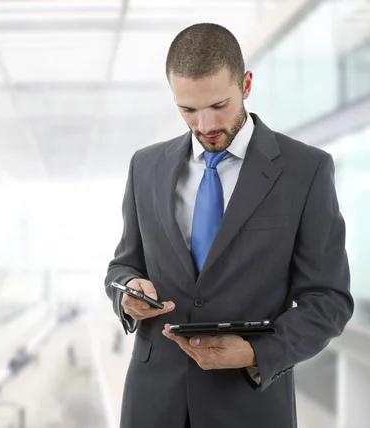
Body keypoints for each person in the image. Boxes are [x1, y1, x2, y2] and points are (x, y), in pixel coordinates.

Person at [104, 23, 353, 428]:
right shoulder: (145, 167)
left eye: (219, 105)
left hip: (249, 404)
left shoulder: (306, 170)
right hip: (152, 405)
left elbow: (329, 301)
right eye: (188, 110)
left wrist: (256, 352)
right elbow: (123, 266)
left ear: (247, 84)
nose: (205, 125)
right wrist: (127, 293)